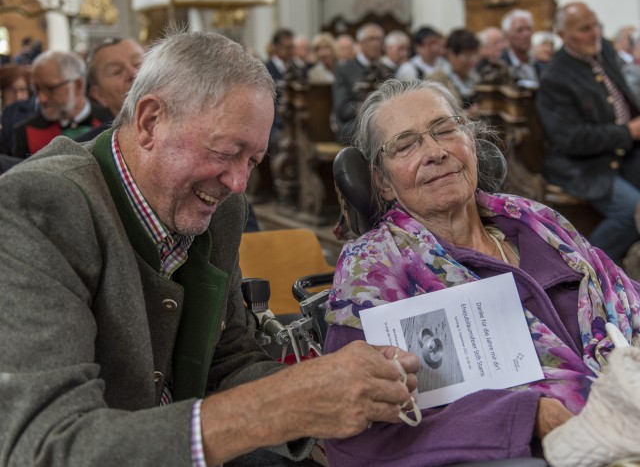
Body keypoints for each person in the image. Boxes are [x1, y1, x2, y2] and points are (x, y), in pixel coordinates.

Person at [0, 30, 420, 467]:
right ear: (149, 122)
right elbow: (45, 447)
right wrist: (285, 404)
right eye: (225, 151)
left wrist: (333, 390)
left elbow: (227, 355)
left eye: (253, 161)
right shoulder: (36, 208)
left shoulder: (220, 209)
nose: (238, 184)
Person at [323, 77, 640, 466]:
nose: (436, 152)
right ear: (382, 181)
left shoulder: (536, 221)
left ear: (472, 142)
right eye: (406, 145)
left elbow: (626, 296)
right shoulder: (374, 271)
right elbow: (360, 433)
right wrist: (527, 418)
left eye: (445, 130)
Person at [536, 2, 640, 266]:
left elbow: (621, 96)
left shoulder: (603, 47)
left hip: (623, 151)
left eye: (596, 25)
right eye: (585, 29)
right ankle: (584, 270)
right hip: (584, 164)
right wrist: (626, 131)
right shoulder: (555, 76)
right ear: (562, 35)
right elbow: (570, 139)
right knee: (631, 211)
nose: (595, 33)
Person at [12, 50, 110, 158]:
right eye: (37, 89)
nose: (41, 99)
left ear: (78, 85)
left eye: (50, 89)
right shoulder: (25, 133)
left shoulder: (111, 123)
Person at [74, 37, 145, 143]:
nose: (134, 73)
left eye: (138, 64)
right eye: (117, 71)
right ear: (99, 95)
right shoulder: (86, 151)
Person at [333, 22, 389, 145]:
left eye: (379, 39)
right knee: (376, 133)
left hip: (383, 121)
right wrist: (367, 107)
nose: (376, 43)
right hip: (353, 125)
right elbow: (342, 109)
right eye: (371, 39)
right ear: (361, 43)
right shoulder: (345, 69)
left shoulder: (386, 70)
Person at [501, 9, 538, 87]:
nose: (526, 35)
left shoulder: (538, 64)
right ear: (507, 35)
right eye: (519, 30)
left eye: (529, 29)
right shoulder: (500, 67)